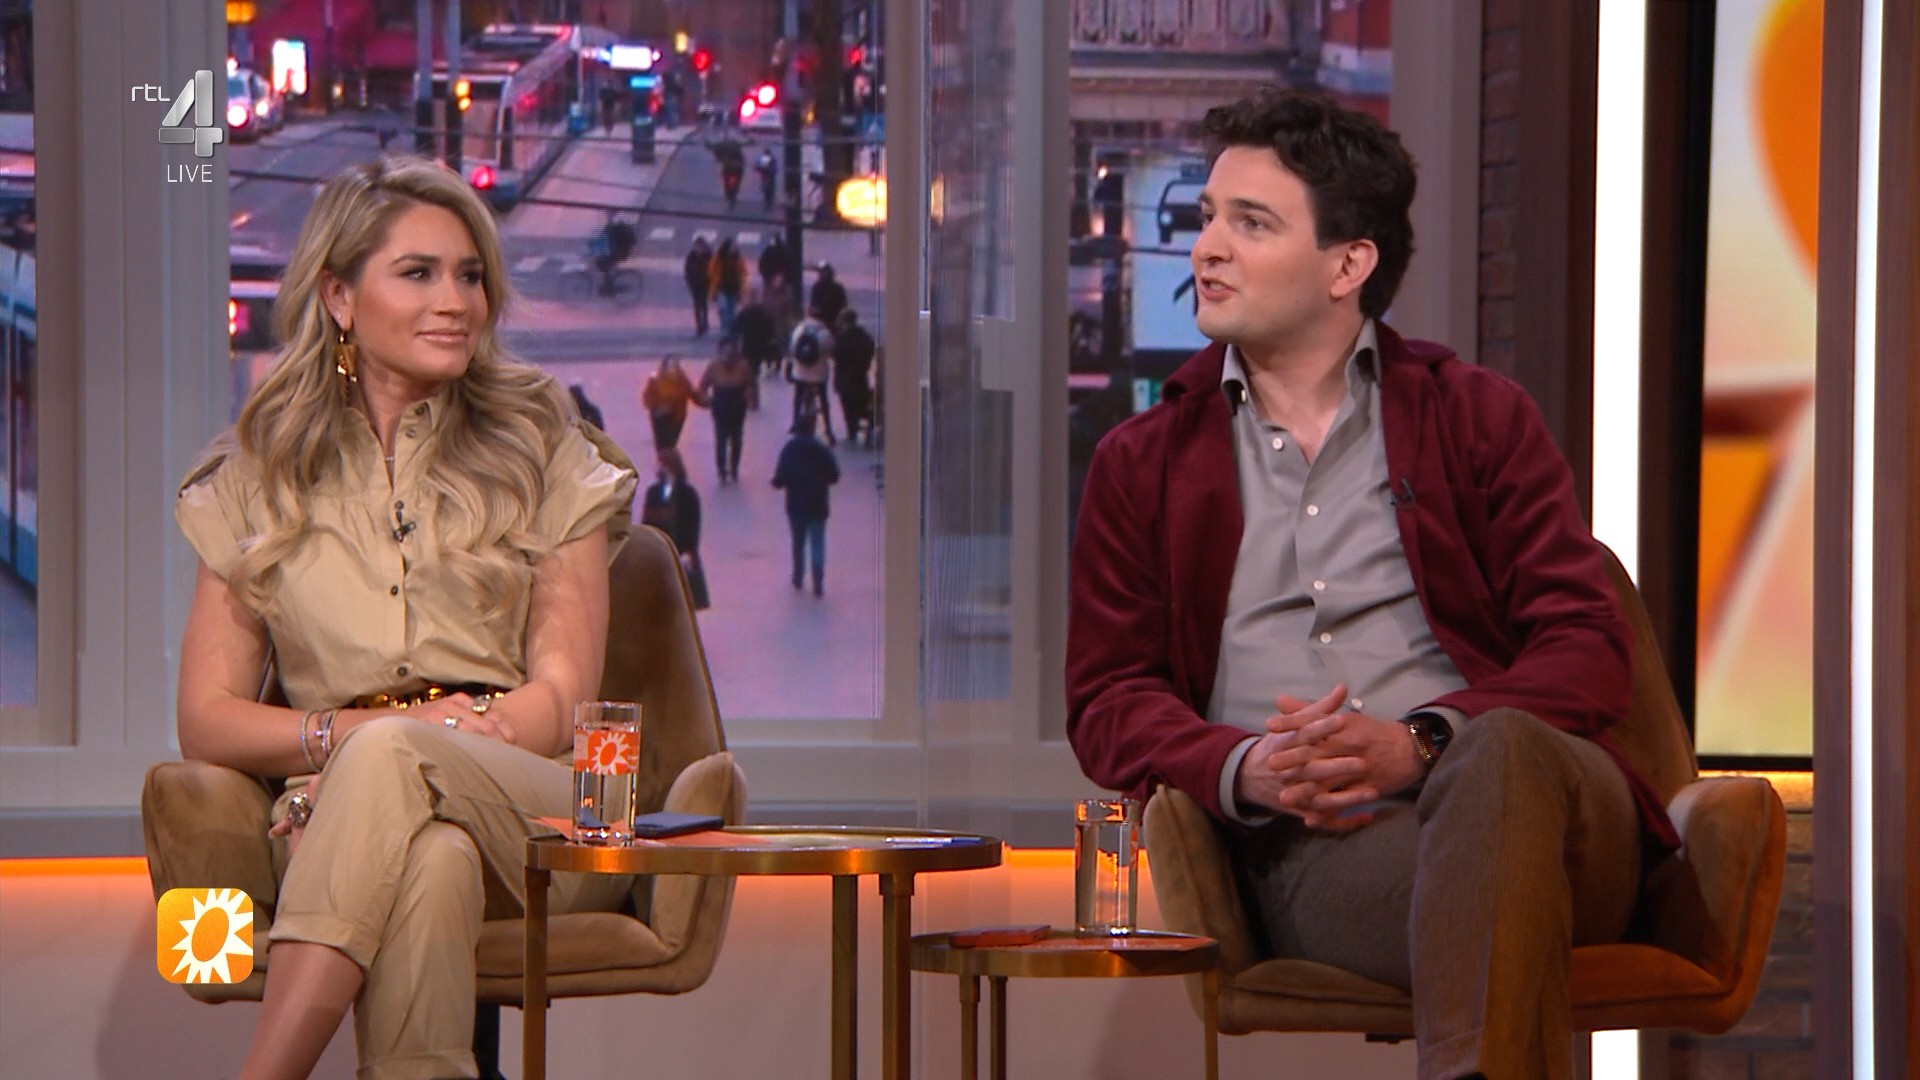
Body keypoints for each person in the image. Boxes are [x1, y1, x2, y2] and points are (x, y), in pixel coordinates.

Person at [1063, 89, 1675, 1080]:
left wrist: (1421, 740)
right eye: (1209, 217)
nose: (1206, 249)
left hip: (1559, 821)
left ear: (1348, 266)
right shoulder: (1143, 464)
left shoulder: (1479, 420)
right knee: (1493, 909)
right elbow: (1107, 698)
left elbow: (1590, 651)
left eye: (1250, 223)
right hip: (1325, 841)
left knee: (1499, 750)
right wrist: (1247, 765)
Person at [173, 155, 640, 1080]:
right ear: (339, 297)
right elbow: (205, 719)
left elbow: (567, 696)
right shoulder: (258, 476)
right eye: (419, 273)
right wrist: (355, 746)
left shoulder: (546, 446)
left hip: (556, 803)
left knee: (392, 761)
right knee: (430, 859)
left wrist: (424, 742)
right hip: (345, 810)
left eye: (470, 275)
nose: (456, 301)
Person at [771, 411, 839, 597]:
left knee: (798, 541)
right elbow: (834, 476)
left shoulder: (789, 450)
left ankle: (798, 576)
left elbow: (779, 479)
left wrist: (777, 482)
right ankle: (818, 580)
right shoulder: (822, 450)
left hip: (796, 505)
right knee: (818, 542)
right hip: (818, 503)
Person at [639, 447, 709, 610]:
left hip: (680, 552)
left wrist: (690, 551)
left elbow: (693, 525)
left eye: (664, 466)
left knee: (682, 600)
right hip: (659, 553)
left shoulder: (688, 493)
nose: (661, 470)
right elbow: (647, 522)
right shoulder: (654, 492)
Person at [699, 334, 757, 483]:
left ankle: (734, 468)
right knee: (721, 439)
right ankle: (721, 470)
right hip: (720, 405)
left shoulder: (743, 366)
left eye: (731, 352)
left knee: (736, 439)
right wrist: (708, 401)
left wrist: (749, 398)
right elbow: (703, 386)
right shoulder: (714, 366)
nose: (728, 356)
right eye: (725, 352)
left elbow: (751, 384)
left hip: (737, 405)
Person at [787, 312, 836, 446]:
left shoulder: (800, 329)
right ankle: (828, 428)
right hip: (819, 373)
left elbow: (792, 348)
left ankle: (795, 421)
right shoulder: (825, 333)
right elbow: (831, 349)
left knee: (798, 396)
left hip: (800, 372)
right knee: (823, 399)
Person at [831, 307, 876, 449]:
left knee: (848, 407)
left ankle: (852, 431)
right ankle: (862, 429)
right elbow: (870, 349)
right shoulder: (863, 336)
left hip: (844, 378)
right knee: (860, 404)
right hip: (860, 378)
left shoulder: (842, 338)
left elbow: (835, 354)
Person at [641, 355, 698, 451]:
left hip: (677, 417)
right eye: (670, 366)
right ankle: (664, 457)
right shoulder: (655, 380)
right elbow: (647, 398)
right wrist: (657, 407)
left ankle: (669, 457)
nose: (672, 369)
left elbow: (693, 394)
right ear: (664, 366)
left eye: (675, 365)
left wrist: (709, 402)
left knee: (671, 444)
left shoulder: (683, 380)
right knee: (662, 444)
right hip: (660, 416)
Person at [733, 284, 781, 388]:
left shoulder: (754, 312)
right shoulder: (751, 312)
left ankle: (751, 386)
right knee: (752, 368)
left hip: (755, 346)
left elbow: (736, 328)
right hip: (752, 346)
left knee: (753, 368)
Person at [709, 236, 748, 337]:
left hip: (734, 289)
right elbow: (711, 270)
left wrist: (742, 288)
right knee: (724, 309)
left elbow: (743, 272)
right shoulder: (719, 258)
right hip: (721, 289)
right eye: (733, 246)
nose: (735, 248)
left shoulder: (738, 259)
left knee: (731, 311)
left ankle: (729, 331)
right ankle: (726, 330)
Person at [683, 234, 714, 336]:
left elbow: (714, 270)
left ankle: (704, 322)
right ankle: (699, 325)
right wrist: (688, 281)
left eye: (700, 246)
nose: (699, 249)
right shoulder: (691, 256)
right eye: (697, 246)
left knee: (703, 303)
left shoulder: (709, 255)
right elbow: (687, 269)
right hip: (694, 284)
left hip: (705, 284)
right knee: (697, 305)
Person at [808, 262, 848, 329]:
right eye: (820, 271)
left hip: (834, 321)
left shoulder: (837, 288)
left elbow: (843, 306)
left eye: (824, 271)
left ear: (829, 272)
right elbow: (813, 305)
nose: (821, 274)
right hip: (819, 322)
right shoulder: (816, 287)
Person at [756, 147, 778, 212]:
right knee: (768, 190)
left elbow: (757, 166)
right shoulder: (771, 159)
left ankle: (768, 202)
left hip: (767, 176)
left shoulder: (764, 159)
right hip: (768, 176)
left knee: (768, 190)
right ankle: (768, 202)